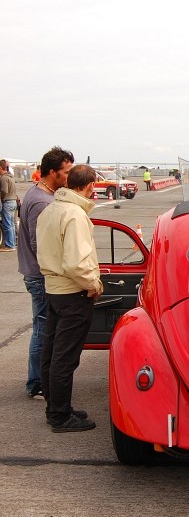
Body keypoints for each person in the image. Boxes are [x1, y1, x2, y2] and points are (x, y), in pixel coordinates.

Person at [37, 164, 103, 432]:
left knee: (51, 353)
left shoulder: (51, 209)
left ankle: (54, 407)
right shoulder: (75, 215)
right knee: (65, 358)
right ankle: (61, 416)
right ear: (90, 185)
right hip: (73, 292)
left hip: (53, 289)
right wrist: (93, 284)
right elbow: (76, 262)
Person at [17, 146, 74, 398]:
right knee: (42, 329)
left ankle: (40, 379)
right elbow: (38, 243)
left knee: (43, 327)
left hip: (37, 273)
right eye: (66, 172)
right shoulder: (42, 202)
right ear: (53, 172)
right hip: (41, 276)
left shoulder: (40, 193)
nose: (69, 176)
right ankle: (37, 382)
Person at [0, 159, 18, 251]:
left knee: (7, 225)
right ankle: (13, 243)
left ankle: (9, 245)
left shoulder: (3, 178)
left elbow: (4, 191)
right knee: (11, 224)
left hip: (7, 202)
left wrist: (2, 199)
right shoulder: (10, 177)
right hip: (13, 202)